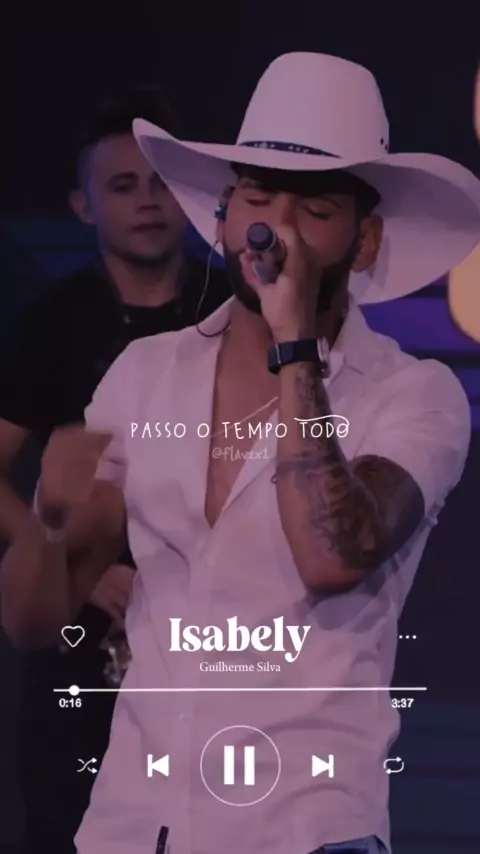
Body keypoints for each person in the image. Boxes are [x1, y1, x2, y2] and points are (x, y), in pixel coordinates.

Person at [2, 52, 480, 854]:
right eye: (258, 199)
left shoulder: (414, 395)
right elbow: (29, 622)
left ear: (364, 242)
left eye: (313, 209)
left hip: (308, 830)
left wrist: (296, 343)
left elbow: (335, 555)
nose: (275, 232)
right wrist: (48, 524)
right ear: (223, 215)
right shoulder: (146, 374)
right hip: (132, 828)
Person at [0, 85, 229, 854]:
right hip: (84, 636)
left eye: (162, 183)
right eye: (123, 185)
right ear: (83, 206)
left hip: (220, 640)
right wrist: (74, 561)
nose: (148, 202)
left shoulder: (238, 314)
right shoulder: (52, 323)